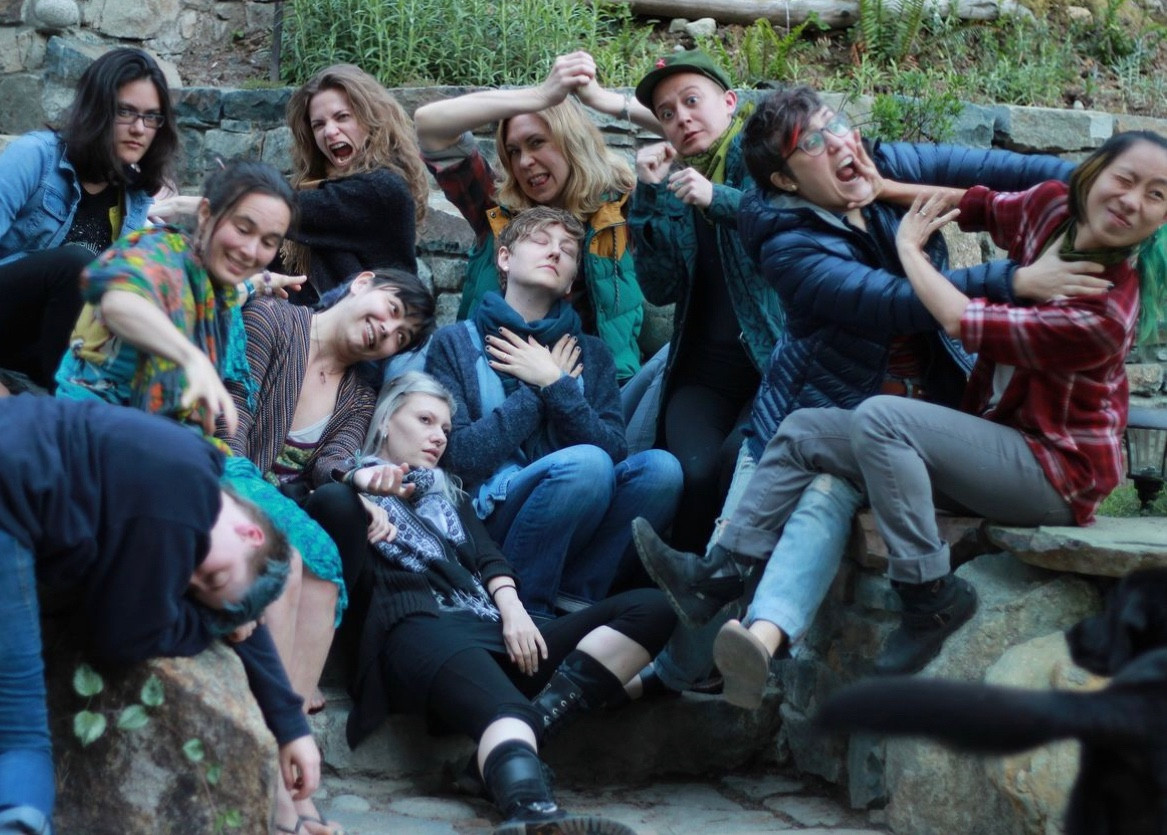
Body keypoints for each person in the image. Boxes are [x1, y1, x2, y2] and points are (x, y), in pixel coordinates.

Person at [633, 85, 1098, 706]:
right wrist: (1014, 278)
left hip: (914, 418)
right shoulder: (781, 237)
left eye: (840, 125)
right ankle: (675, 676)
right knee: (744, 539)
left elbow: (1018, 174)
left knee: (801, 508)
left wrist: (1108, 177)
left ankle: (749, 643)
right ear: (786, 180)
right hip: (814, 408)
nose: (842, 143)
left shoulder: (883, 164)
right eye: (814, 142)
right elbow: (892, 303)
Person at [51, 159, 348, 834]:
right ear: (208, 214)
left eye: (268, 240)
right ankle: (278, 795)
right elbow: (118, 295)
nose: (251, 248)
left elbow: (238, 286)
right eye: (242, 227)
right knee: (278, 565)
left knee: (319, 558)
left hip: (187, 454)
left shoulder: (224, 286)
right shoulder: (154, 255)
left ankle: (293, 760)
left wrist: (261, 279)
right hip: (112, 450)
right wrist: (186, 357)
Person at [344, 371, 673, 834]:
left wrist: (514, 611)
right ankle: (531, 810)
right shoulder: (346, 494)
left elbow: (487, 556)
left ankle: (485, 770)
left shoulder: (446, 491)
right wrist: (356, 491)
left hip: (490, 625)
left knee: (651, 606)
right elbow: (318, 504)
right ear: (385, 421)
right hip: (418, 628)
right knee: (507, 708)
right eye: (425, 420)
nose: (438, 436)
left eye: (445, 429)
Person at [0, 395, 317, 835]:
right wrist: (208, 622)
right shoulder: (183, 512)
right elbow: (122, 639)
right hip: (8, 501)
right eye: (214, 576)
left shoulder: (193, 469)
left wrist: (289, 723)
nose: (190, 579)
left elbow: (242, 612)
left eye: (194, 593)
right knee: (20, 739)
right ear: (250, 532)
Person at [425, 206, 682, 617]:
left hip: (582, 503)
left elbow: (615, 451)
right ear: (505, 259)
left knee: (662, 471)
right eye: (540, 242)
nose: (556, 253)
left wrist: (556, 384)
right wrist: (536, 390)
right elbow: (457, 458)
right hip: (493, 517)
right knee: (585, 464)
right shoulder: (455, 343)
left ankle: (576, 595)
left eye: (568, 250)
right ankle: (530, 610)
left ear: (570, 282)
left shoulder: (591, 354)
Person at [225, 269, 435, 720]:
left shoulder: (361, 391)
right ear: (362, 283)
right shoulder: (272, 320)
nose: (386, 331)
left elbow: (333, 459)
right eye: (392, 311)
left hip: (292, 503)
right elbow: (233, 419)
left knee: (344, 504)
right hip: (230, 479)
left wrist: (358, 480)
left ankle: (304, 666)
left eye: (401, 337)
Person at [626, 49, 788, 554]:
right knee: (691, 473)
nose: (682, 119)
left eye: (691, 101)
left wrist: (717, 199)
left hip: (775, 366)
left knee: (736, 461)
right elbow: (660, 288)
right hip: (704, 374)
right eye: (668, 114)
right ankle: (676, 608)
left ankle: (730, 601)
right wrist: (649, 196)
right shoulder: (673, 183)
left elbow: (794, 224)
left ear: (730, 102)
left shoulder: (765, 157)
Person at [413, 51, 651, 384]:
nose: (524, 161)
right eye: (514, 151)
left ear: (571, 141)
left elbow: (693, 134)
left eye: (537, 143)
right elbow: (429, 125)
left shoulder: (623, 207)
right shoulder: (495, 210)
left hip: (606, 389)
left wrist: (604, 100)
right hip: (493, 387)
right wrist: (541, 95)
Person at [0, 48, 179, 390]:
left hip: (42, 341)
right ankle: (69, 403)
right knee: (76, 266)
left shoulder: (135, 196)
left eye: (152, 117)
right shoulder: (35, 156)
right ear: (97, 109)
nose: (139, 128)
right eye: (125, 112)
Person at [282, 64, 430, 303]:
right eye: (318, 124)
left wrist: (220, 202)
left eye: (342, 117)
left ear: (372, 120)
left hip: (380, 333)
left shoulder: (380, 189)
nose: (330, 132)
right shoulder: (319, 187)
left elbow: (276, 211)